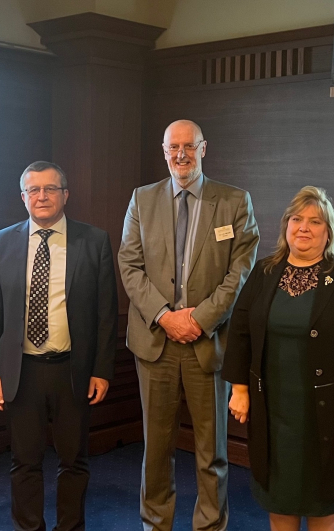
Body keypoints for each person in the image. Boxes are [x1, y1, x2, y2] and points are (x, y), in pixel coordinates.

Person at [118, 119, 259, 530]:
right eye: (173, 147)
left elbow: (241, 272)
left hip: (208, 343)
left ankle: (210, 526)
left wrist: (199, 319)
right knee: (156, 449)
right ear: (164, 151)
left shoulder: (234, 201)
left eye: (189, 146)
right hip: (155, 343)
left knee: (210, 452)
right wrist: (165, 316)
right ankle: (155, 524)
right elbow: (129, 265)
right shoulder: (141, 200)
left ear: (204, 148)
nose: (181, 154)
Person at [223, 186, 334, 531]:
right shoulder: (265, 272)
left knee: (324, 503)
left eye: (315, 221)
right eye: (297, 219)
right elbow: (240, 333)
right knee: (280, 498)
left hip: (329, 412)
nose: (304, 227)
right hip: (274, 413)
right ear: (286, 226)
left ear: (328, 232)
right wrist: (240, 390)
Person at [0, 161, 118, 531]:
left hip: (72, 370)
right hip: (21, 370)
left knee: (73, 461)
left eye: (50, 189)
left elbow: (106, 314)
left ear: (65, 195)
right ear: (23, 197)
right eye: (33, 190)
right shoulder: (1, 241)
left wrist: (101, 370)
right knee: (24, 461)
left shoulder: (94, 241)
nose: (41, 196)